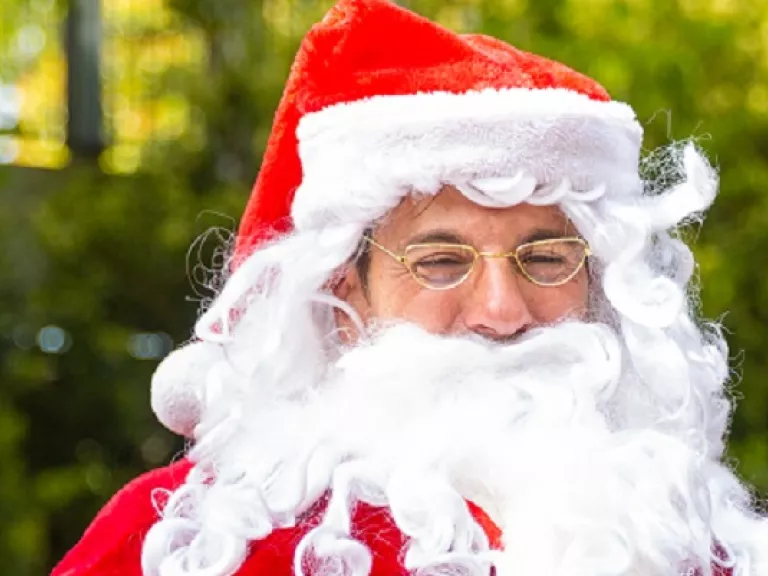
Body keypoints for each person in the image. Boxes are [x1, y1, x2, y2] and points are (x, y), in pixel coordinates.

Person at [52, 0, 768, 574]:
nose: (502, 313)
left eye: (547, 259)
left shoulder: (705, 543)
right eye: (440, 261)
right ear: (345, 295)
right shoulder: (182, 541)